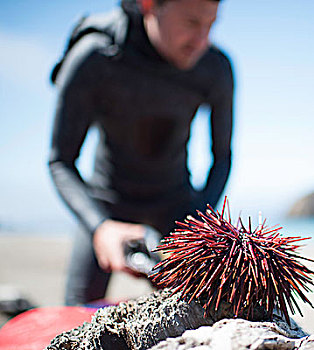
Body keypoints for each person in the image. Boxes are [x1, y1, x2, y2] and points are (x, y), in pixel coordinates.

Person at [48, 0, 234, 305]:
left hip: (177, 208)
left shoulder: (215, 68)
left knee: (201, 316)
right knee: (75, 317)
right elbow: (60, 160)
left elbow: (222, 157)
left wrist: (198, 224)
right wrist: (100, 227)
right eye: (191, 23)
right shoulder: (97, 56)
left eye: (211, 25)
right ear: (149, 5)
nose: (202, 41)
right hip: (106, 205)